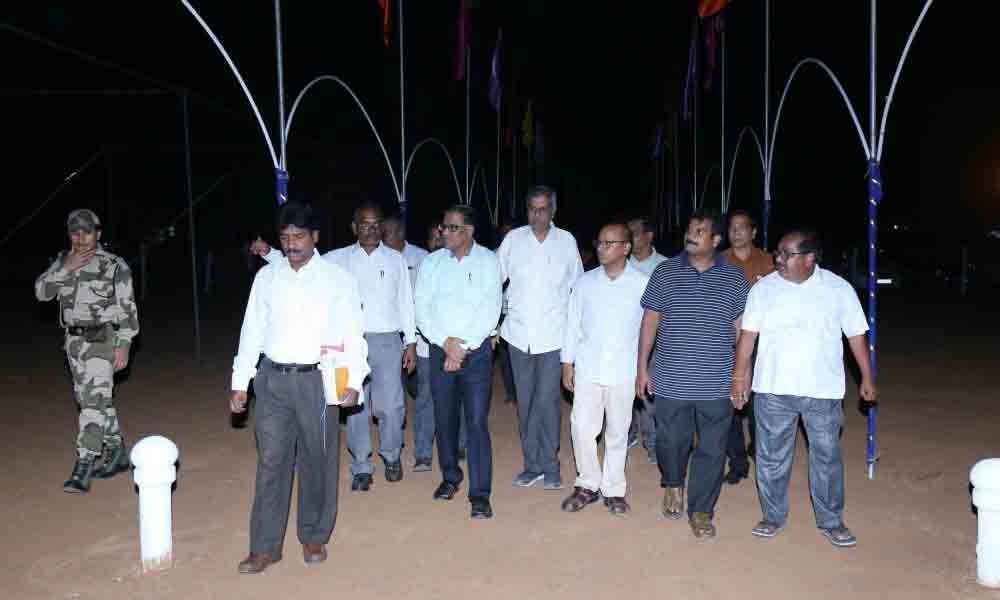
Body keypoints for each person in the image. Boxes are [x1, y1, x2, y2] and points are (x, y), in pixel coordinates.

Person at [230, 202, 369, 574]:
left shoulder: (338, 280)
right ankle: (264, 547)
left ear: (316, 237)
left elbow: (353, 334)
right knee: (271, 462)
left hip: (317, 381)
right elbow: (251, 331)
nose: (292, 244)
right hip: (272, 381)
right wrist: (240, 382)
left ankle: (313, 535)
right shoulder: (268, 278)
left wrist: (353, 381)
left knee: (318, 460)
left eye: (299, 237)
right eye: (285, 237)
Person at [731, 230, 876, 548]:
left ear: (809, 259)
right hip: (772, 388)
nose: (777, 259)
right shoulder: (764, 289)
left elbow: (855, 336)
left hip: (822, 391)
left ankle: (831, 521)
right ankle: (773, 515)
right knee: (770, 458)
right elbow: (748, 337)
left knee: (826, 458)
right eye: (778, 253)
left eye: (786, 254)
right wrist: (739, 378)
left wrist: (867, 377)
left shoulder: (838, 289)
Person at [258, 202, 416, 490]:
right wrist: (269, 253)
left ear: (382, 227)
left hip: (386, 341)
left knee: (391, 406)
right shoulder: (338, 259)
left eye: (375, 223)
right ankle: (361, 467)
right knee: (353, 404)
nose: (370, 229)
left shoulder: (396, 260)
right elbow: (298, 263)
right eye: (363, 224)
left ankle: (392, 454)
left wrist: (411, 342)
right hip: (346, 342)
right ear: (354, 227)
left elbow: (406, 302)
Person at [637, 211, 749, 540]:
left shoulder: (734, 278)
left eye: (700, 231)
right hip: (671, 379)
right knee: (671, 443)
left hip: (716, 382)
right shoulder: (665, 272)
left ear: (716, 241)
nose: (691, 234)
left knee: (712, 449)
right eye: (689, 229)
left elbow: (744, 331)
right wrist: (642, 367)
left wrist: (743, 375)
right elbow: (649, 322)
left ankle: (701, 510)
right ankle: (673, 483)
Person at [35, 209, 139, 494]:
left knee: (92, 405)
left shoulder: (114, 266)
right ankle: (117, 451)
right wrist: (64, 268)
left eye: (87, 231)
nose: (80, 238)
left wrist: (125, 344)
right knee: (92, 400)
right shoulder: (63, 262)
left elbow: (128, 311)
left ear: (98, 233)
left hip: (102, 343)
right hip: (74, 344)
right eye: (74, 232)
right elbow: (41, 292)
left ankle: (84, 464)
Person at [414, 205, 502, 519]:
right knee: (444, 417)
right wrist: (446, 344)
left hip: (475, 353)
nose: (444, 233)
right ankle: (450, 477)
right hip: (440, 349)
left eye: (452, 228)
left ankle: (480, 494)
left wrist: (462, 347)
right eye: (444, 227)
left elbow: (491, 309)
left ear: (469, 231)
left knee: (477, 421)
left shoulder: (490, 262)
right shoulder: (431, 264)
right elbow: (421, 310)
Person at [498, 185, 583, 491]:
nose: (538, 215)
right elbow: (494, 280)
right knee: (525, 402)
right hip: (518, 336)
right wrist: (495, 323)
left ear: (553, 210)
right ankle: (531, 464)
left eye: (543, 209)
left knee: (548, 401)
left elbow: (578, 291)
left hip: (554, 337)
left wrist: (577, 338)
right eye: (533, 209)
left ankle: (550, 464)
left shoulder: (566, 242)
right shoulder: (513, 240)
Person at [560, 223, 648, 516]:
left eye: (610, 243)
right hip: (588, 368)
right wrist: (567, 363)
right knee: (582, 428)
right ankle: (587, 483)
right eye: (599, 242)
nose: (601, 248)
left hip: (624, 371)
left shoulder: (642, 284)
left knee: (618, 432)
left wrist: (643, 369)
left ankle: (613, 489)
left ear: (626, 248)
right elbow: (572, 326)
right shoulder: (585, 283)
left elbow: (650, 331)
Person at [721, 209, 776, 485]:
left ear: (753, 232)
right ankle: (737, 461)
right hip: (725, 345)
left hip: (761, 345)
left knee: (759, 405)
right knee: (727, 405)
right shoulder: (718, 262)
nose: (737, 232)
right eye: (732, 227)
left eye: (743, 227)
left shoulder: (769, 262)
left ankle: (759, 449)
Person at [382, 214, 434, 472]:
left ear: (401, 233)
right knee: (392, 395)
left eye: (388, 232)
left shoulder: (422, 258)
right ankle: (398, 444)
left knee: (423, 393)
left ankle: (425, 449)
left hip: (420, 337)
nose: (383, 237)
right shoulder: (378, 257)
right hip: (389, 336)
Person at [626, 216, 669, 460]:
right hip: (625, 338)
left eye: (635, 233)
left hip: (656, 340)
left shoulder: (665, 266)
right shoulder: (621, 265)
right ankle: (629, 432)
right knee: (623, 391)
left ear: (649, 236)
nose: (631, 238)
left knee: (650, 391)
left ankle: (653, 441)